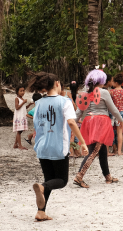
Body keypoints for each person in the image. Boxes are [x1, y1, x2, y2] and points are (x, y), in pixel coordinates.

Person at [28, 72, 89, 222]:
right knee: (61, 180)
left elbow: (36, 124)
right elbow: (71, 122)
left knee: (49, 179)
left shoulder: (39, 103)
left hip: (42, 147)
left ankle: (40, 212)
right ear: (56, 83)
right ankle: (41, 187)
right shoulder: (64, 101)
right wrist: (83, 142)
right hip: (58, 146)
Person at [73, 70, 123, 188]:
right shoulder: (104, 92)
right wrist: (120, 120)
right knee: (94, 150)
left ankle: (108, 176)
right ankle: (79, 176)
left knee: (102, 150)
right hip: (101, 122)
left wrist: (70, 124)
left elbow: (78, 112)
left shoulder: (84, 93)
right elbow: (113, 109)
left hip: (89, 121)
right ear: (101, 80)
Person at [110, 74, 123, 156]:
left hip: (112, 112)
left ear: (116, 82)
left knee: (109, 131)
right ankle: (119, 151)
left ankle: (109, 149)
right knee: (120, 132)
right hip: (121, 112)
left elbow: (110, 103)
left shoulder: (111, 92)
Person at [13, 85, 29, 150]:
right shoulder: (17, 99)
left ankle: (15, 144)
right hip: (19, 117)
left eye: (23, 91)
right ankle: (20, 145)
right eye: (21, 91)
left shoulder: (22, 99)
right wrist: (23, 102)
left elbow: (24, 107)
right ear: (17, 92)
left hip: (22, 116)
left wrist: (29, 104)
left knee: (20, 131)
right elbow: (17, 107)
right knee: (19, 131)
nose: (22, 92)